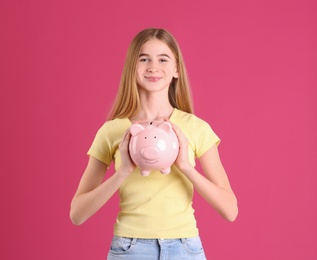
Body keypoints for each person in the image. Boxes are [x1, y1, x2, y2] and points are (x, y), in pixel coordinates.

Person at [70, 28, 238, 260]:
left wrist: (186, 167)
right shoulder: (112, 131)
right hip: (130, 249)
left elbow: (230, 210)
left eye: (163, 59)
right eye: (144, 59)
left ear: (176, 69)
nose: (153, 67)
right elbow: (77, 214)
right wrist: (123, 172)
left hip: (185, 248)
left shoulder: (196, 128)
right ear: (132, 67)